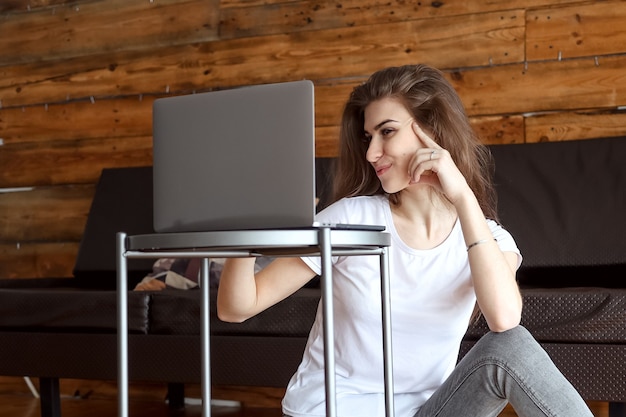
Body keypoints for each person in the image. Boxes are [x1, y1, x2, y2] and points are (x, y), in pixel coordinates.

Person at [216, 64, 592, 417]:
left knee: (511, 347)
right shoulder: (351, 220)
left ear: (432, 131)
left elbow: (505, 320)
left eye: (387, 131)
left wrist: (462, 197)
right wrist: (247, 223)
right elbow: (237, 307)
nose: (371, 152)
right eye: (368, 137)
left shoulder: (489, 238)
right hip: (334, 409)